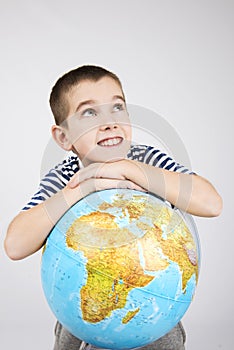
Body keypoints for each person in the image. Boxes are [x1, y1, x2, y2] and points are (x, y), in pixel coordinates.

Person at [4, 65, 222, 350]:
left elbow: (211, 203)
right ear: (63, 137)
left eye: (117, 107)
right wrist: (83, 188)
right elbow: (15, 245)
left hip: (153, 317)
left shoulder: (149, 161)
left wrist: (128, 168)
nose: (109, 122)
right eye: (89, 112)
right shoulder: (63, 179)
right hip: (83, 319)